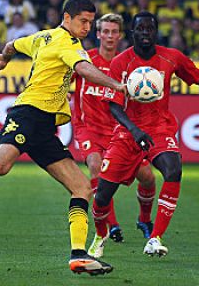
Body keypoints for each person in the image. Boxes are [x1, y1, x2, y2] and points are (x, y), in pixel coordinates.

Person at [0, 0, 127, 275]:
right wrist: (116, 85)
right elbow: (83, 69)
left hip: (45, 127)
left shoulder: (43, 37)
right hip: (27, 114)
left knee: (82, 188)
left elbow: (14, 44)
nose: (87, 27)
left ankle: (78, 255)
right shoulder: (68, 44)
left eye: (91, 22)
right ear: (68, 18)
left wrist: (5, 56)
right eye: (83, 21)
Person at [92, 11, 199, 258]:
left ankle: (155, 238)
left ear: (156, 32)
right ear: (132, 33)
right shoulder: (120, 63)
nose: (145, 33)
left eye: (150, 28)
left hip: (159, 128)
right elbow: (112, 104)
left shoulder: (171, 58)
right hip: (127, 132)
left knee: (173, 169)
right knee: (101, 197)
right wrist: (134, 130)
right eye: (140, 29)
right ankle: (100, 235)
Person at [71, 14, 155, 253]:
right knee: (96, 167)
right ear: (97, 34)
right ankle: (112, 224)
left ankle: (144, 219)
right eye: (104, 31)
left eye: (113, 32)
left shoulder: (128, 63)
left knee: (148, 177)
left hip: (119, 130)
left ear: (120, 35)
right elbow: (65, 79)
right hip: (89, 129)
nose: (109, 36)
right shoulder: (85, 60)